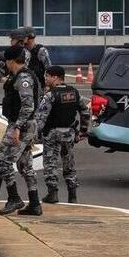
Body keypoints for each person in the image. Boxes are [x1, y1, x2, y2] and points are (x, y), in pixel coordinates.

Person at [0, 45, 41, 216]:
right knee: (25, 164)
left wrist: (17, 127)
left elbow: (28, 106)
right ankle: (35, 203)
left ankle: (14, 198)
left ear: (11, 61)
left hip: (22, 125)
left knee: (2, 160)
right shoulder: (22, 75)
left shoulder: (23, 78)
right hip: (25, 125)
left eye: (6, 61)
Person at [36, 66, 89, 204]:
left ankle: (52, 193)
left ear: (55, 77)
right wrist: (83, 130)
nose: (46, 79)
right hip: (69, 133)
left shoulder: (50, 95)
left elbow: (41, 117)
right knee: (69, 163)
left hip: (52, 134)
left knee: (50, 163)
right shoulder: (74, 93)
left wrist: (35, 135)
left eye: (47, 76)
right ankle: (72, 195)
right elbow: (85, 111)